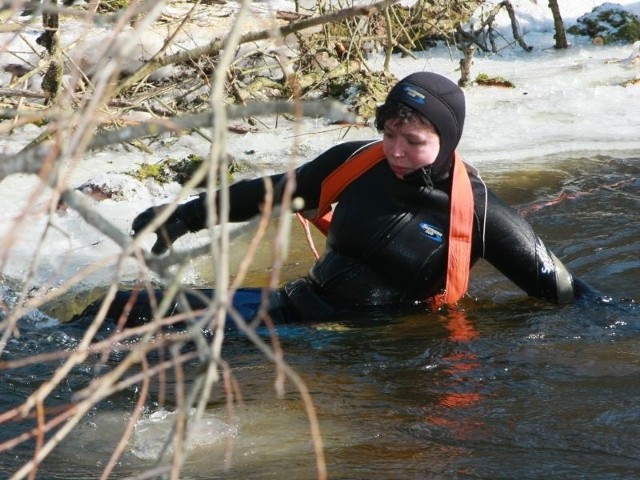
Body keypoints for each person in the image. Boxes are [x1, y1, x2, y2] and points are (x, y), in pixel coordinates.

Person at [78, 72, 595, 329]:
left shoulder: (481, 215)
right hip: (290, 309)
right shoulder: (357, 162)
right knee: (114, 311)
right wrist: (186, 216)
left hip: (361, 347)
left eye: (413, 142)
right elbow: (271, 195)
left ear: (448, 141)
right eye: (389, 133)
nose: (394, 151)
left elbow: (566, 295)